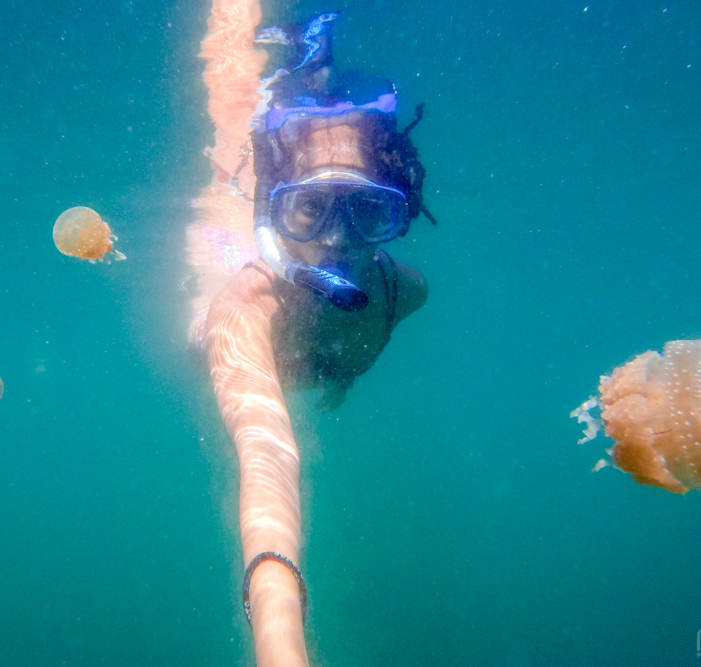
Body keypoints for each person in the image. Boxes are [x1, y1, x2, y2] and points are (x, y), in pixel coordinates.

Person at [193, 8, 435, 666]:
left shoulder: (402, 292)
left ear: (399, 210)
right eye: (309, 206)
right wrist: (280, 634)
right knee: (206, 306)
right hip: (233, 330)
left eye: (368, 210)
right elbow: (265, 454)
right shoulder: (248, 306)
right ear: (273, 211)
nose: (337, 239)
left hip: (325, 375)